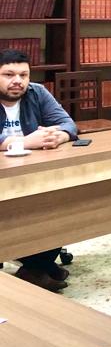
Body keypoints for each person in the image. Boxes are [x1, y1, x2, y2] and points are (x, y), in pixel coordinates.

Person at [0, 49, 78, 292]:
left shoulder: (37, 92)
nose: (18, 81)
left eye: (24, 75)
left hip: (32, 173)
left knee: (65, 198)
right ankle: (36, 266)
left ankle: (37, 263)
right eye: (8, 74)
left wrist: (60, 136)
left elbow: (67, 123)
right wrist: (23, 142)